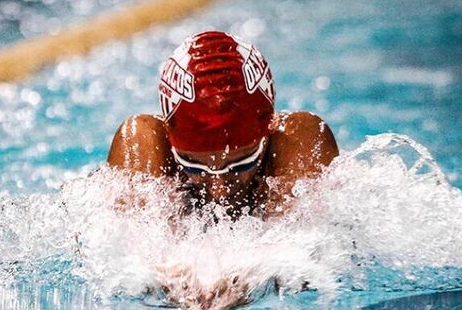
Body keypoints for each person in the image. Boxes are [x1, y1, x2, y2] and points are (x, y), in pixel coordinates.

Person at [107, 31, 339, 218]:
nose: (219, 188)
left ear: (268, 129)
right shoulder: (143, 144)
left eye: (240, 163)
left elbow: (298, 261)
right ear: (170, 137)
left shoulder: (300, 142)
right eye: (193, 165)